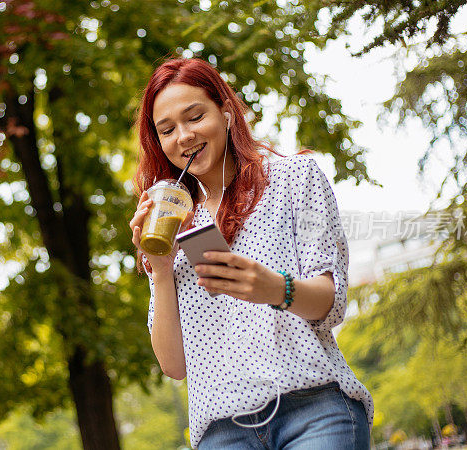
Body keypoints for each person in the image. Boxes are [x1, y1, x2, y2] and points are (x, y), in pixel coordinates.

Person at [129, 57, 373, 449]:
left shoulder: (295, 179)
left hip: (313, 410)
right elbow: (174, 366)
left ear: (225, 113)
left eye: (195, 117)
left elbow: (332, 303)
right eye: (167, 129)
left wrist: (275, 289)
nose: (184, 136)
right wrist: (159, 271)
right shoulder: (170, 221)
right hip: (223, 433)